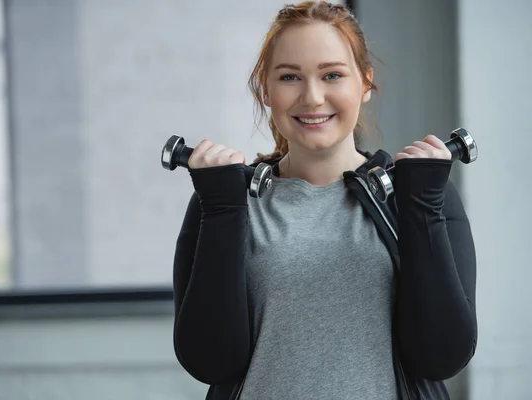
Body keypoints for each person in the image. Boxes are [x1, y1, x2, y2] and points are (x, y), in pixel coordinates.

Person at [172, 2, 477, 399]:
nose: (312, 97)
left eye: (332, 74)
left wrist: (421, 205)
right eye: (289, 77)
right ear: (266, 88)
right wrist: (222, 209)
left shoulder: (419, 195)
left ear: (365, 83)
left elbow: (441, 357)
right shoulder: (223, 202)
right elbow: (209, 361)